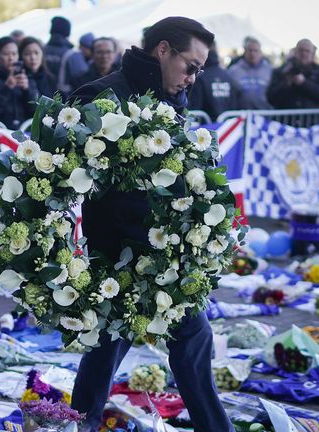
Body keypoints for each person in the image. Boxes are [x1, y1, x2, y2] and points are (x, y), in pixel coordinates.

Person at [69, 16, 235, 432]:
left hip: (163, 255)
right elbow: (68, 169)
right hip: (119, 256)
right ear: (164, 50)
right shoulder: (102, 95)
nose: (194, 78)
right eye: (191, 66)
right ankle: (78, 424)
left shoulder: (168, 95)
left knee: (188, 339)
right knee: (109, 345)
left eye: (200, 69)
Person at [0, 36, 38, 129]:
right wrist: (6, 88)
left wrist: (27, 90)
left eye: (14, 54)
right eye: (6, 54)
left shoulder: (27, 79)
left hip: (25, 137)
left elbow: (36, 113)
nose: (11, 58)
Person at [267, 38, 319, 109]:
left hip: (312, 117)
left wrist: (304, 83)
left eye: (307, 51)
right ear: (295, 52)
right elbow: (271, 97)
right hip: (286, 116)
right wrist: (287, 83)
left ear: (312, 53)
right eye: (301, 50)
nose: (304, 53)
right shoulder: (281, 71)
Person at [188, 47, 243, 120]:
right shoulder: (228, 76)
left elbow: (196, 105)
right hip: (227, 125)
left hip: (207, 125)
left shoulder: (201, 77)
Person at [227, 36, 273, 109]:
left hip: (264, 113)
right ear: (245, 51)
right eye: (250, 50)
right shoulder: (234, 70)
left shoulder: (269, 70)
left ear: (260, 52)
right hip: (241, 114)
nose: (253, 54)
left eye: (255, 50)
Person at [43, 16, 73, 92]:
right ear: (67, 32)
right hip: (63, 97)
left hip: (42, 96)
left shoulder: (40, 50)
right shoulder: (70, 54)